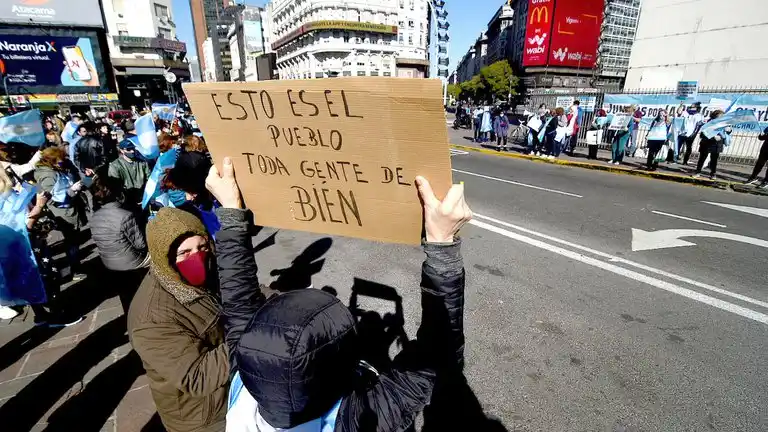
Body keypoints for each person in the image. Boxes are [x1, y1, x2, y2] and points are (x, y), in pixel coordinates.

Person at [203, 157, 472, 432]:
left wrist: (231, 214)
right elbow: (435, 362)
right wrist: (442, 247)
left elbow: (238, 301)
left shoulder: (243, 391)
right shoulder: (355, 420)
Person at [127, 207, 229, 432]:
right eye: (184, 253)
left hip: (229, 392)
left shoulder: (208, 268)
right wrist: (250, 336)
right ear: (163, 257)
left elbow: (237, 293)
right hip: (205, 418)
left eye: (202, 247)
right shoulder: (151, 319)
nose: (197, 257)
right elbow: (197, 377)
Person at [89, 175, 149, 312]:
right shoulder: (125, 215)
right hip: (131, 264)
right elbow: (140, 245)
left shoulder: (94, 217)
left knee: (126, 294)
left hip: (109, 264)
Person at [33, 147, 87, 281]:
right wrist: (72, 190)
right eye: (61, 161)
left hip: (66, 209)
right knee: (72, 242)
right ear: (51, 161)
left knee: (72, 241)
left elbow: (38, 188)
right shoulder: (48, 176)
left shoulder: (46, 171)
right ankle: (75, 270)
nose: (63, 162)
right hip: (64, 211)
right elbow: (52, 198)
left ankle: (76, 266)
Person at [108, 139, 150, 208]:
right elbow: (115, 187)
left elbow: (149, 179)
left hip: (143, 198)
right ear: (122, 150)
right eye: (128, 149)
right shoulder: (115, 166)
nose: (132, 151)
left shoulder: (142, 162)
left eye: (133, 148)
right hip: (127, 201)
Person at [693, 110, 731, 180]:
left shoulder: (724, 123)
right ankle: (697, 172)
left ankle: (713, 174)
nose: (721, 118)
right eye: (719, 117)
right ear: (714, 117)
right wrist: (712, 137)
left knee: (714, 160)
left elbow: (727, 132)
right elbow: (702, 134)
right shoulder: (708, 123)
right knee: (702, 159)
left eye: (722, 117)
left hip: (717, 144)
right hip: (706, 143)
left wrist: (729, 130)